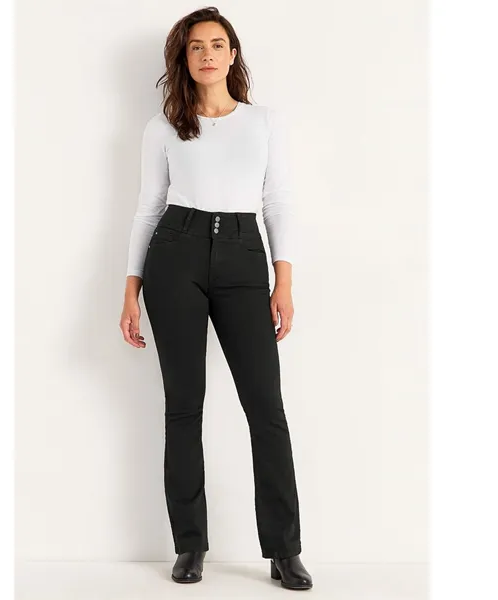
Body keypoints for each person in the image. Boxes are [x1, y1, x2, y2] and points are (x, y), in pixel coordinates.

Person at [119, 7, 312, 591]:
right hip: (174, 253)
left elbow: (277, 200)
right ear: (184, 58)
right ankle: (190, 546)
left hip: (243, 254)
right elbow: (148, 207)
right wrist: (131, 289)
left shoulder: (263, 122)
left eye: (217, 44)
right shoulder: (164, 127)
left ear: (232, 55)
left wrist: (283, 280)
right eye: (196, 46)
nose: (207, 54)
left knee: (266, 407)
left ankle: (284, 550)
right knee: (184, 406)